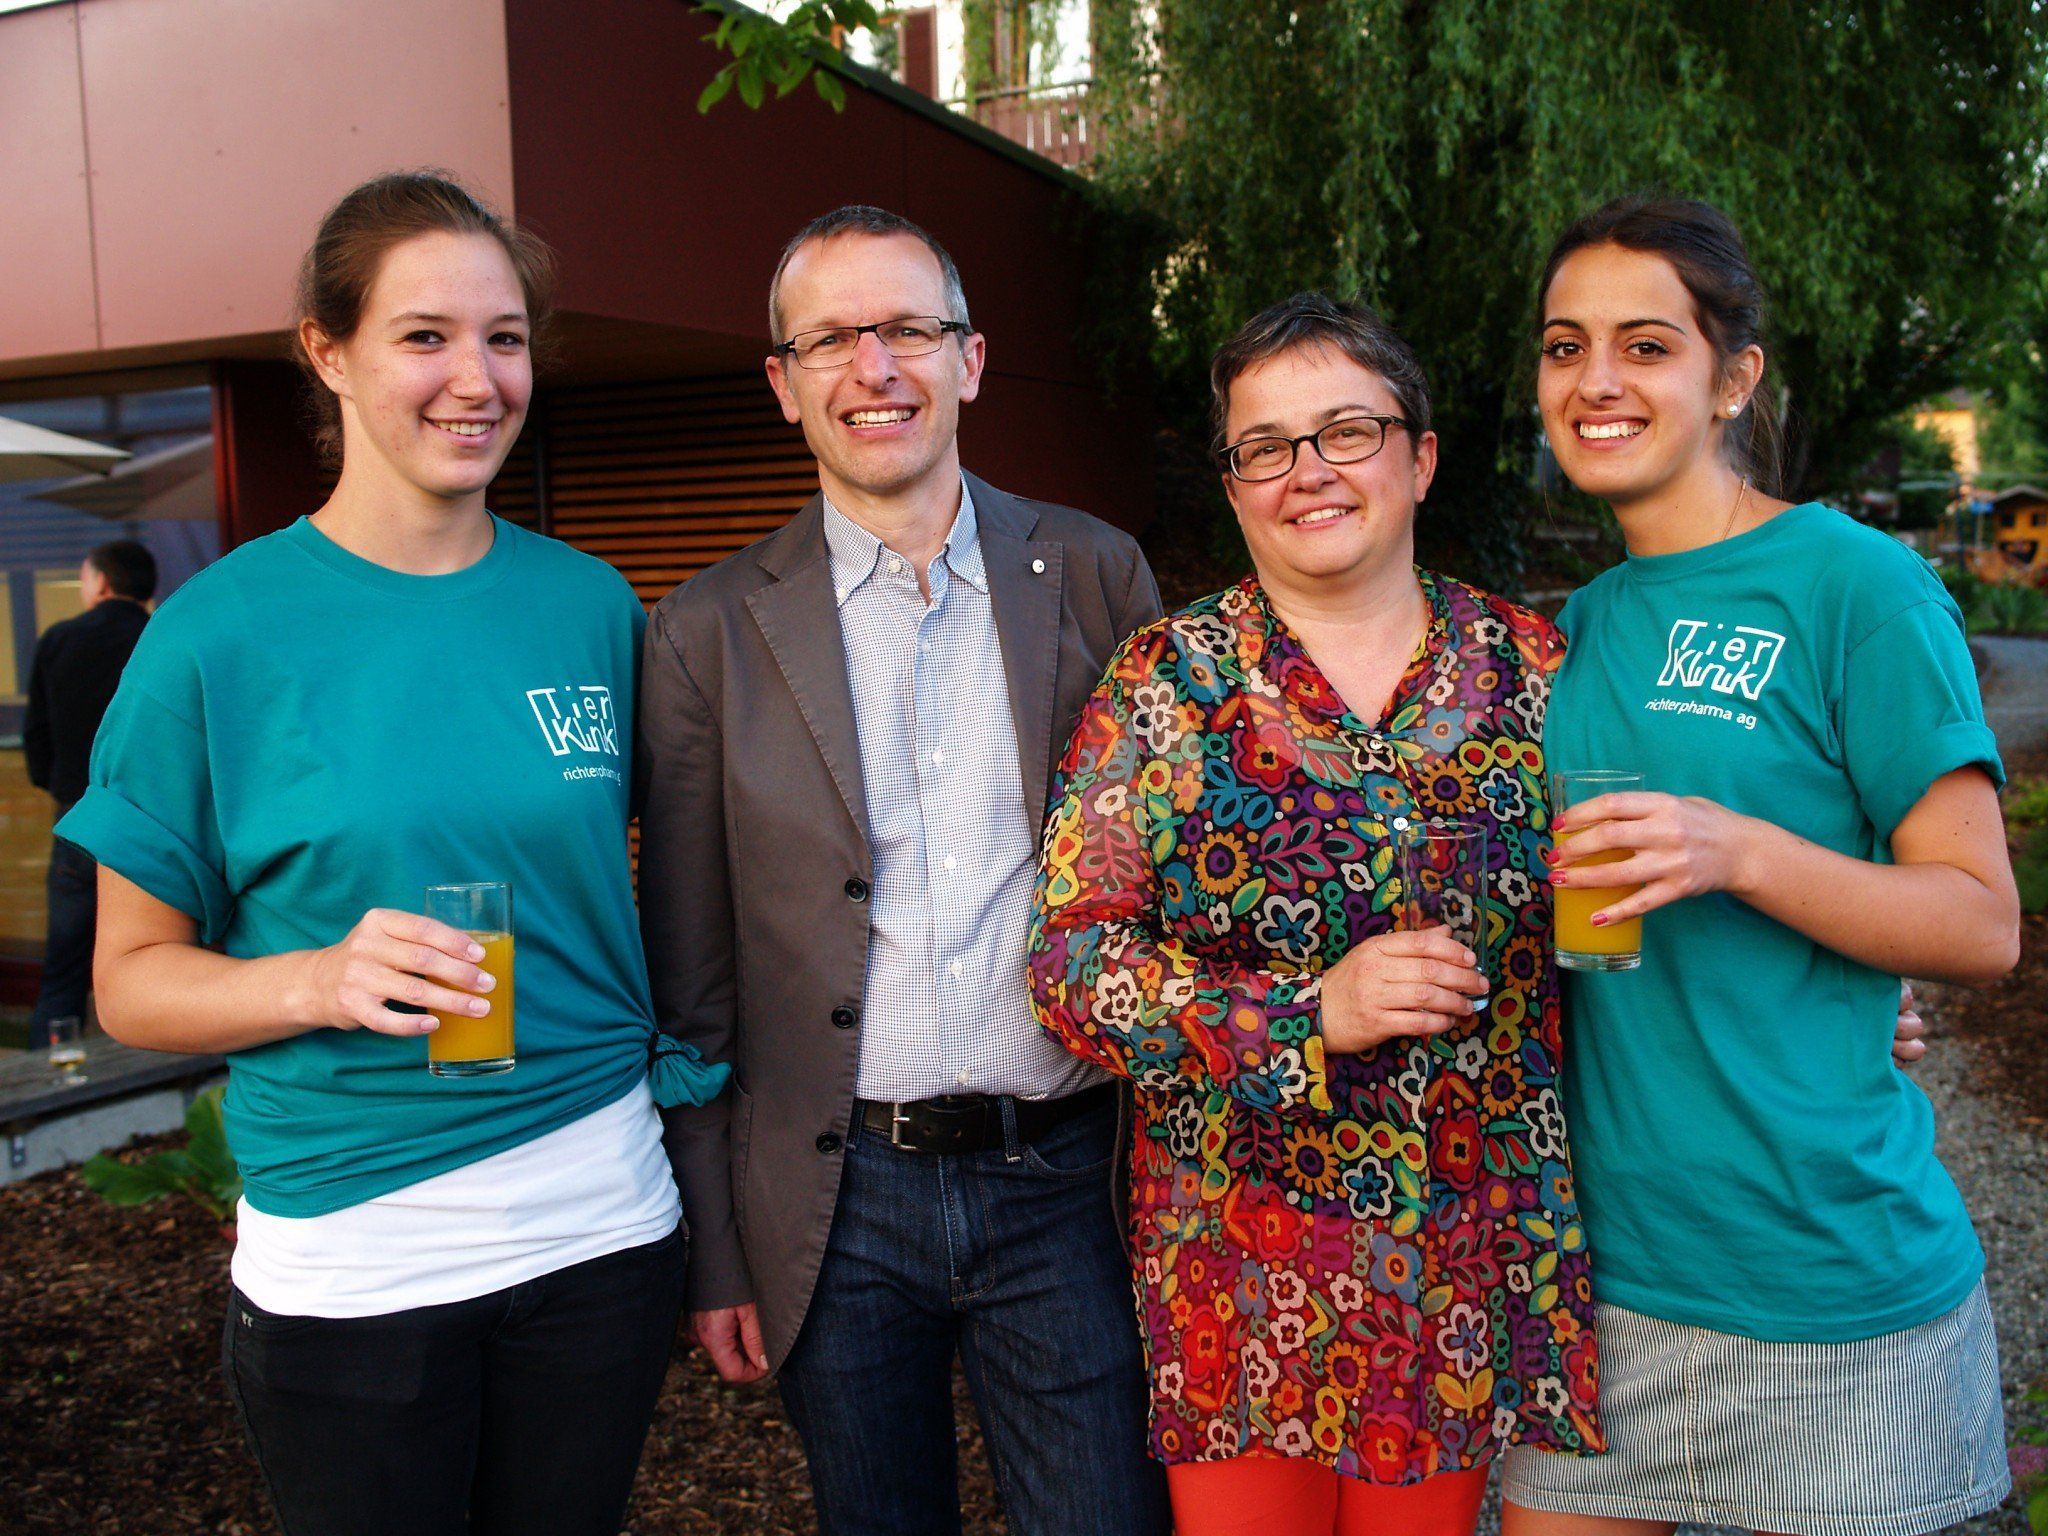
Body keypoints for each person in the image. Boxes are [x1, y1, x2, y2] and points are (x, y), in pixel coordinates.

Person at [59, 172, 723, 1536]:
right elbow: (128, 982)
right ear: (329, 351)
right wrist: (312, 980)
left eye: (504, 338)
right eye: (424, 336)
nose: (474, 379)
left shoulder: (590, 605)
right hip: (361, 1252)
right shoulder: (217, 637)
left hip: (601, 1226)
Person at [1029, 292, 1602, 1536]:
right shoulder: (1164, 687)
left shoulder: (1531, 673)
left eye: (1346, 430)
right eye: (1265, 447)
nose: (1308, 473)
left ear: (1420, 455)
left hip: (1463, 1257)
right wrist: (1304, 1015)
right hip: (1239, 1274)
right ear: (1233, 486)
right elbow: (1071, 964)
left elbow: (1620, 911)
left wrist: (1777, 998)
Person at [637, 205, 1170, 1536]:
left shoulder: (1097, 575)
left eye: (907, 330)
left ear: (969, 359)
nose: (875, 367)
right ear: (785, 383)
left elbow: (1178, 889)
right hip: (836, 1196)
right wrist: (717, 1242)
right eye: (833, 339)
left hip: (1067, 1180)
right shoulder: (707, 629)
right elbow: (692, 982)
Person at [1500, 196, 2019, 1535]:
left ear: (1734, 378)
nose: (1596, 381)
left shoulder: (1859, 588)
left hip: (1828, 1290)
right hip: (1605, 1285)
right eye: (1565, 347)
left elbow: (1977, 924)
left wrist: (1739, 852)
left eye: (1645, 345)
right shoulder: (1585, 626)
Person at [23, 538, 155, 1047]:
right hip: (156, 830)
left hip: (79, 816)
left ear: (100, 582)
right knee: (168, 960)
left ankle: (48, 1084)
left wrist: (58, 786)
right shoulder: (160, 638)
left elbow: (37, 737)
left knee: (63, 966)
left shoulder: (60, 640)